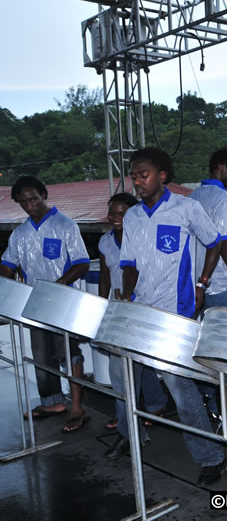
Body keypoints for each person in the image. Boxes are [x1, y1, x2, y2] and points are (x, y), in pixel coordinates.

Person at [118, 147, 227, 486]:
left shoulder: (187, 208)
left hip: (176, 311)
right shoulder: (133, 216)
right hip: (141, 310)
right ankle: (130, 437)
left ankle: (212, 457)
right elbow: (129, 265)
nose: (137, 180)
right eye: (134, 175)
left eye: (143, 174)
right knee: (126, 377)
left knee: (180, 388)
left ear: (162, 175)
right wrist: (126, 297)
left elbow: (215, 242)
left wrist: (202, 283)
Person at [0, 175, 91, 433]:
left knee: (68, 351)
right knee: (41, 354)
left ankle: (76, 406)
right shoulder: (20, 234)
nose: (30, 206)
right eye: (23, 202)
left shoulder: (65, 225)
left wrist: (60, 283)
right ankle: (52, 403)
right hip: (33, 301)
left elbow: (82, 262)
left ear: (44, 195)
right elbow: (8, 265)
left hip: (62, 300)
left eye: (34, 199)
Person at [98, 192, 168, 459]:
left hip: (143, 307)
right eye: (112, 213)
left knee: (133, 368)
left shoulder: (143, 237)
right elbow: (105, 274)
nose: (115, 218)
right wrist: (102, 304)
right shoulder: (105, 241)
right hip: (120, 309)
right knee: (123, 372)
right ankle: (132, 431)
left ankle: (152, 408)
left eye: (121, 213)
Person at [189, 148, 227, 419]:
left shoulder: (191, 197)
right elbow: (226, 241)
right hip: (222, 284)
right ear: (220, 168)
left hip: (196, 287)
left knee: (204, 351)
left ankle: (213, 407)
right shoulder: (224, 199)